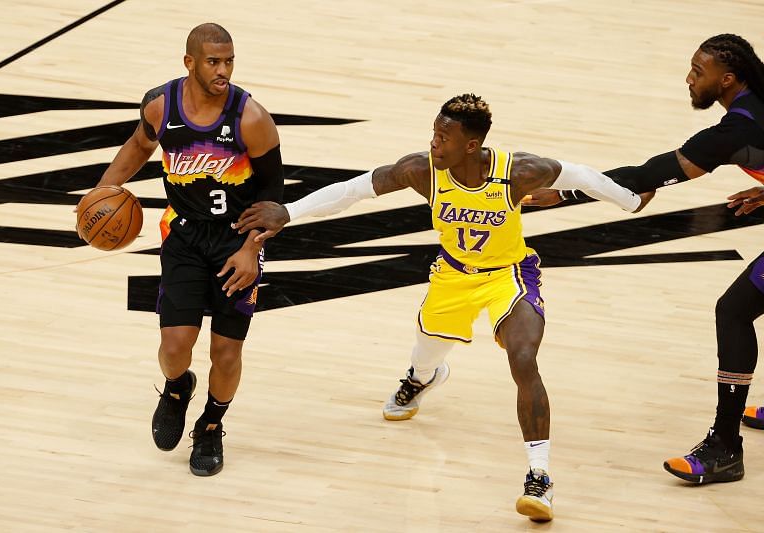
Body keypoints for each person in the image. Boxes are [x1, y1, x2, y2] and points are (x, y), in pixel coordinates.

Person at [234, 93, 645, 521]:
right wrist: (289, 210)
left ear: (472, 145)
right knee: (427, 351)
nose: (433, 143)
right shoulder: (422, 170)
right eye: (433, 132)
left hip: (508, 275)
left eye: (443, 137)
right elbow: (354, 190)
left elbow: (583, 175)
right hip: (452, 275)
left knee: (524, 358)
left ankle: (539, 478)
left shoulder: (518, 171)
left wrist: (630, 200)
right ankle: (424, 378)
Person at [526, 34, 764, 485]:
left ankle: (725, 449)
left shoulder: (739, 130)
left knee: (735, 310)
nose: (689, 78)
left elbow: (645, 177)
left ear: (728, 79)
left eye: (699, 71)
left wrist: (562, 193)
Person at [80, 23, 283, 476]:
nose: (223, 70)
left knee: (226, 351)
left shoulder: (251, 118)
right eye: (214, 61)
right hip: (185, 235)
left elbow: (273, 197)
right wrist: (101, 193)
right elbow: (138, 145)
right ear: (189, 62)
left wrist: (252, 249)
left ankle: (210, 426)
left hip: (237, 238)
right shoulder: (160, 106)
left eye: (229, 61)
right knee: (175, 345)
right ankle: (177, 389)